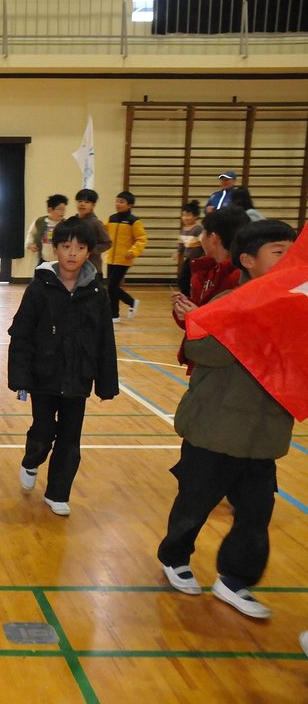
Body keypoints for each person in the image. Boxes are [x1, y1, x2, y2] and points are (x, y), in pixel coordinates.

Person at [157, 219, 297, 619]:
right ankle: (175, 557)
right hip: (215, 429)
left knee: (256, 514)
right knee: (194, 504)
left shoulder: (294, 308)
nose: (289, 261)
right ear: (248, 260)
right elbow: (203, 352)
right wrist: (216, 324)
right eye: (278, 253)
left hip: (264, 434)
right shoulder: (232, 302)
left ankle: (234, 579)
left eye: (293, 253)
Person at [7, 217, 119, 516]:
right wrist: (20, 377)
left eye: (80, 248)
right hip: (43, 377)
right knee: (42, 433)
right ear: (55, 248)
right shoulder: (39, 289)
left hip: (78, 378)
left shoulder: (97, 293)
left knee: (70, 440)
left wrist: (106, 382)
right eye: (66, 246)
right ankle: (32, 460)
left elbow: (105, 340)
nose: (72, 253)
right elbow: (21, 334)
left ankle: (57, 493)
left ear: (89, 252)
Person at [171, 206, 251, 373]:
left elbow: (235, 328)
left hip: (225, 368)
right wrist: (184, 310)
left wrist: (198, 315)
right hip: (203, 362)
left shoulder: (239, 277)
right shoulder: (206, 271)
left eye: (203, 233)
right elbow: (193, 321)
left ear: (213, 238)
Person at [104, 191, 148, 322]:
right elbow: (103, 232)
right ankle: (115, 314)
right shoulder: (111, 219)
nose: (118, 204)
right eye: (117, 201)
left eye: (121, 202)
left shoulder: (133, 221)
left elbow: (141, 239)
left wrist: (133, 252)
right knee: (112, 288)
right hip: (111, 258)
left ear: (130, 205)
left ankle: (130, 303)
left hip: (124, 259)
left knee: (112, 287)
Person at [72, 188, 113, 276]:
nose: (82, 204)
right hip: (75, 267)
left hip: (92, 268)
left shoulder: (95, 223)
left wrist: (90, 250)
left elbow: (107, 242)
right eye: (80, 201)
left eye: (87, 202)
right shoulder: (73, 221)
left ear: (93, 205)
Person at [25, 194, 69, 265]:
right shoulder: (40, 221)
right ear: (50, 210)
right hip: (43, 259)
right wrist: (29, 244)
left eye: (64, 210)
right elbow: (31, 233)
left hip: (60, 261)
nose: (62, 212)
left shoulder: (66, 224)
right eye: (59, 209)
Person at [176, 200, 203, 295]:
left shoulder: (198, 229)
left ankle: (193, 295)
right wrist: (178, 252)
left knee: (195, 279)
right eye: (183, 215)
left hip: (198, 260)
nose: (185, 218)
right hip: (189, 259)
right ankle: (186, 295)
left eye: (188, 215)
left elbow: (204, 243)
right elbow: (182, 244)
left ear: (195, 216)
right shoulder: (183, 229)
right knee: (183, 279)